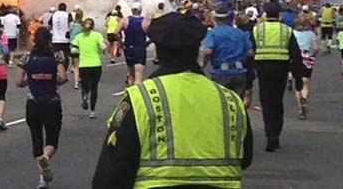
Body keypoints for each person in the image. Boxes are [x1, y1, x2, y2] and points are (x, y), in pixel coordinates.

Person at [93, 11, 252, 189]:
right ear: (197, 48)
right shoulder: (230, 100)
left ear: (158, 51)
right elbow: (246, 158)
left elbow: (113, 168)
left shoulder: (140, 98)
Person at [17, 27, 67, 189]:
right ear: (49, 40)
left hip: (33, 103)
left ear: (34, 40)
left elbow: (19, 82)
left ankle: (42, 181)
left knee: (36, 140)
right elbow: (63, 77)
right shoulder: (57, 56)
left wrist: (29, 81)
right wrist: (52, 80)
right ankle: (46, 157)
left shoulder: (26, 58)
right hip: (52, 102)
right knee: (52, 139)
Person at [251, 2, 304, 152]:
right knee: (277, 103)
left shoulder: (257, 30)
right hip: (281, 69)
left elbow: (250, 51)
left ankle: (269, 135)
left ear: (265, 15)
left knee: (266, 103)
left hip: (263, 70)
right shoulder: (286, 30)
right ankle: (276, 135)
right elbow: (296, 55)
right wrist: (298, 78)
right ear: (279, 15)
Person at [203, 4, 254, 99]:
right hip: (239, 72)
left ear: (216, 19)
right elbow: (250, 52)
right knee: (238, 102)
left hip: (221, 74)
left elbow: (208, 51)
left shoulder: (213, 33)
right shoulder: (240, 33)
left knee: (223, 104)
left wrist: (202, 65)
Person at [71, 18, 106, 119]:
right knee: (94, 88)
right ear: (93, 26)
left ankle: (85, 95)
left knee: (85, 85)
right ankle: (92, 111)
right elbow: (103, 47)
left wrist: (76, 56)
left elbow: (74, 49)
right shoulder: (97, 35)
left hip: (84, 65)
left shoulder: (78, 37)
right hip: (96, 65)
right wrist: (103, 50)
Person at [292, 16, 319, 120]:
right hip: (307, 59)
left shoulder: (293, 33)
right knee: (305, 83)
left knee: (298, 84)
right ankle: (304, 97)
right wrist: (313, 56)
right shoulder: (311, 34)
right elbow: (316, 48)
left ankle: (300, 108)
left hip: (296, 59)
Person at [119, 2, 147, 85]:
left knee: (131, 74)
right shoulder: (145, 21)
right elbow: (154, 34)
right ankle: (137, 95)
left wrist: (121, 42)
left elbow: (115, 32)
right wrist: (148, 42)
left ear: (131, 10)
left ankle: (130, 92)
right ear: (141, 10)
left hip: (128, 48)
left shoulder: (125, 20)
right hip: (140, 48)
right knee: (138, 75)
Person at [49, 2, 73, 69]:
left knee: (55, 55)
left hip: (55, 39)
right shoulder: (68, 14)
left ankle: (56, 69)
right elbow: (71, 26)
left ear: (58, 8)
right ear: (65, 8)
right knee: (66, 56)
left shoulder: (54, 15)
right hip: (65, 39)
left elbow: (49, 25)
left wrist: (52, 32)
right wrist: (68, 32)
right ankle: (64, 69)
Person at [69, 10, 84, 89]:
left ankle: (76, 82)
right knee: (81, 64)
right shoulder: (82, 25)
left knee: (76, 66)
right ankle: (81, 78)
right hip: (80, 47)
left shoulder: (71, 24)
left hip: (72, 47)